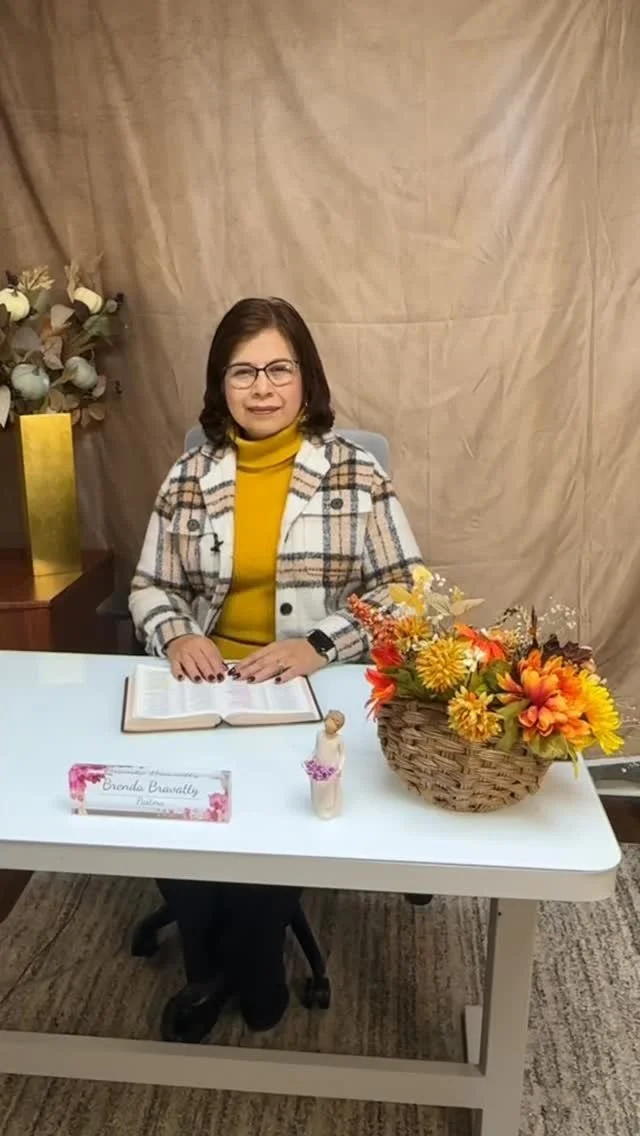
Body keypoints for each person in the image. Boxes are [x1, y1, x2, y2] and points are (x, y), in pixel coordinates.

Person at [129, 296, 423, 1043]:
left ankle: (254, 954)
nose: (261, 388)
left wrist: (319, 644)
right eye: (243, 372)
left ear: (306, 379)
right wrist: (175, 636)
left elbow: (406, 590)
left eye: (278, 369)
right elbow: (150, 587)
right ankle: (207, 955)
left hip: (306, 690)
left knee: (280, 810)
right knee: (171, 804)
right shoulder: (191, 472)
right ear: (220, 385)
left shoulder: (355, 473)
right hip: (201, 686)